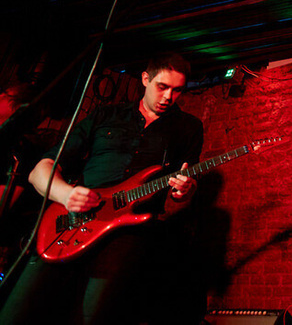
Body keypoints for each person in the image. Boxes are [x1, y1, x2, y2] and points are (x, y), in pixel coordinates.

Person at [0, 52, 203, 325]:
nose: (168, 97)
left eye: (177, 90)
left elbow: (181, 194)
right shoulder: (105, 115)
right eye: (162, 86)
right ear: (145, 78)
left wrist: (184, 190)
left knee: (91, 317)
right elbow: (41, 169)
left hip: (130, 232)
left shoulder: (188, 128)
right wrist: (66, 194)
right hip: (71, 222)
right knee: (17, 312)